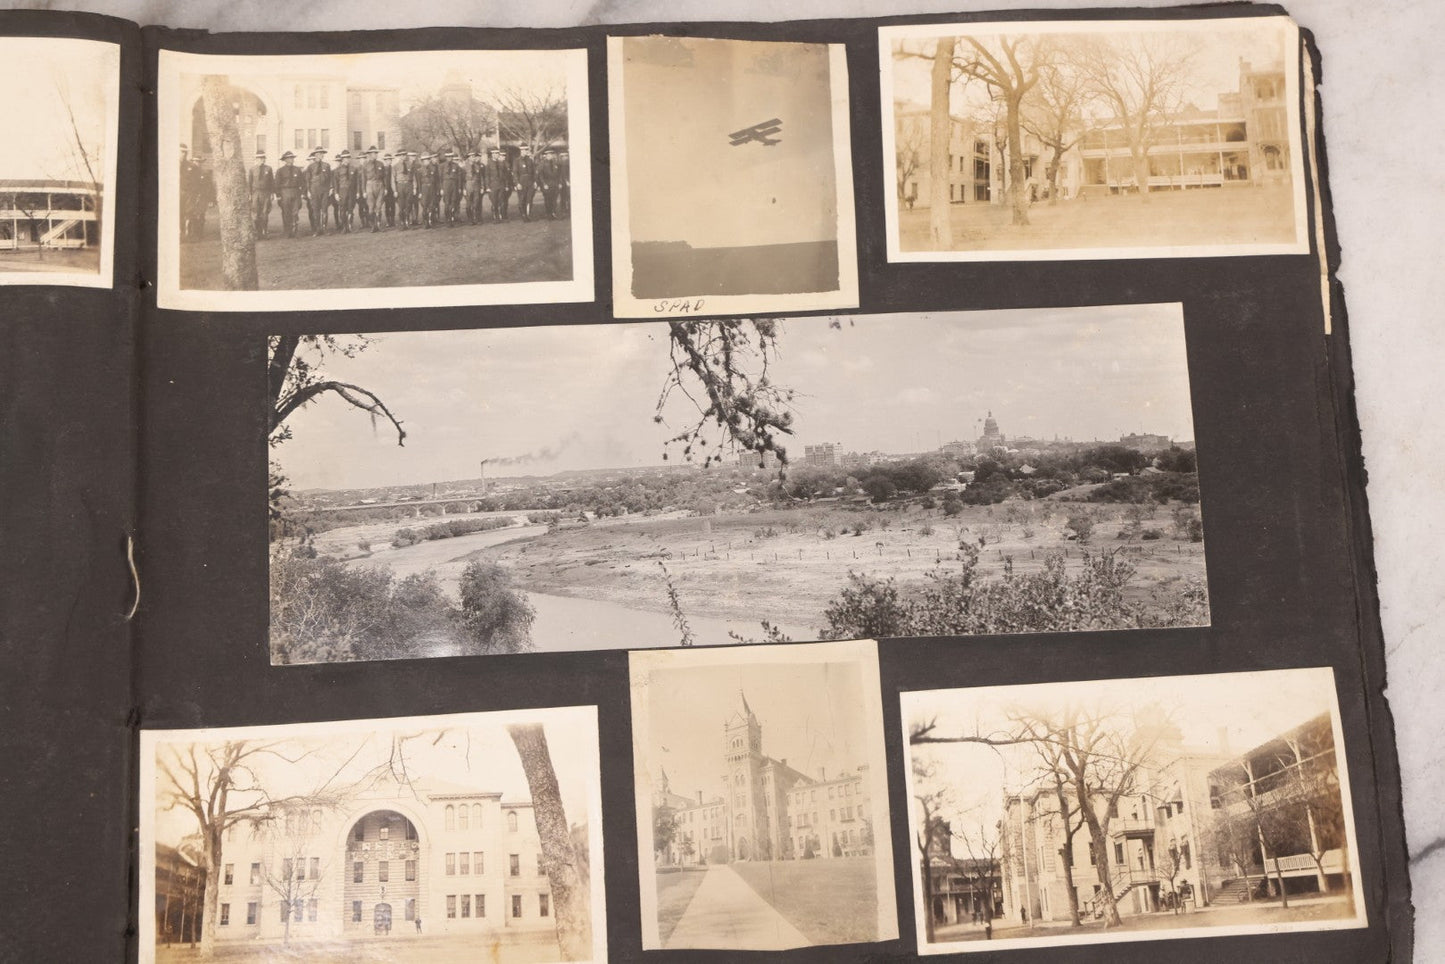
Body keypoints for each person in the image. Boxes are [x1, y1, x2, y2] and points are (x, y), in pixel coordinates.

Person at [302, 148, 332, 237]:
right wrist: (308, 191)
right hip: (314, 190)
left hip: (325, 190)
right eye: (318, 154)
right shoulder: (310, 167)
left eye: (322, 154)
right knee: (315, 210)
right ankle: (317, 229)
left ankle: (324, 229)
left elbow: (330, 178)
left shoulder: (327, 165)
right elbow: (307, 180)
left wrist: (330, 188)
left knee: (324, 209)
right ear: (315, 155)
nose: (320, 155)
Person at [274, 150, 304, 239]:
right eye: (289, 158)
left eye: (292, 158)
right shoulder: (280, 171)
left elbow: (302, 182)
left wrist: (301, 193)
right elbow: (277, 184)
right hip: (284, 193)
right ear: (285, 160)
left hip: (295, 192)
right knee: (286, 212)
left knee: (295, 212)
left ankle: (295, 231)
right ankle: (287, 231)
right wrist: (278, 195)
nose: (291, 159)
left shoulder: (297, 170)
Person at [247, 150, 274, 239]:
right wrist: (250, 194)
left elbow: (271, 182)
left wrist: (272, 193)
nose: (260, 160)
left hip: (265, 193)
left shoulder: (268, 169)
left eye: (262, 158)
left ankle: (264, 232)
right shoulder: (252, 169)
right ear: (256, 159)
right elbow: (249, 183)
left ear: (264, 159)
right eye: (259, 158)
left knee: (265, 213)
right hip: (255, 193)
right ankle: (258, 233)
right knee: (255, 214)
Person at [362, 147, 387, 233]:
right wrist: (364, 191)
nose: (376, 154)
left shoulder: (380, 164)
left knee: (379, 206)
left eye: (376, 153)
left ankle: (379, 225)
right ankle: (373, 226)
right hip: (370, 185)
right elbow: (363, 179)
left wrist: (385, 187)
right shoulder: (365, 165)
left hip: (380, 185)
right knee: (371, 207)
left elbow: (384, 177)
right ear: (369, 154)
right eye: (373, 153)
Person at [332, 149, 358, 232]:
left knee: (350, 209)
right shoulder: (337, 170)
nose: (347, 159)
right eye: (345, 158)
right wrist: (336, 193)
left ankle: (350, 226)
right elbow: (335, 182)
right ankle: (344, 226)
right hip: (342, 191)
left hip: (351, 192)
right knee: (342, 209)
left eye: (348, 157)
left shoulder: (354, 169)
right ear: (342, 159)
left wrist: (357, 192)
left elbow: (356, 182)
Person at [512, 144, 537, 222]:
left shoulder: (530, 160)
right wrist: (517, 183)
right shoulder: (516, 161)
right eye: (523, 150)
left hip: (530, 182)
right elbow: (515, 173)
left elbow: (534, 172)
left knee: (529, 199)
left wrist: (535, 181)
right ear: (521, 151)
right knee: (522, 199)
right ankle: (523, 215)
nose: (525, 152)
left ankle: (528, 215)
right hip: (521, 182)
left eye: (526, 150)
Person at [439, 149, 463, 227]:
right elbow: (440, 178)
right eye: (448, 157)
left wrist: (459, 187)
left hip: (454, 184)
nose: (449, 158)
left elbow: (459, 177)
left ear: (452, 157)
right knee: (446, 202)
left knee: (453, 201)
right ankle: (447, 219)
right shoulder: (442, 166)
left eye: (451, 157)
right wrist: (441, 188)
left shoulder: (456, 166)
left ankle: (452, 218)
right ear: (446, 157)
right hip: (446, 184)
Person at [487, 149, 512, 222]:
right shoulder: (489, 164)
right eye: (494, 153)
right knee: (494, 202)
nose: (496, 155)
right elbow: (487, 176)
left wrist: (506, 185)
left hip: (501, 185)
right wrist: (487, 186)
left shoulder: (501, 164)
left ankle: (502, 217)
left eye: (497, 153)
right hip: (493, 185)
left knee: (502, 201)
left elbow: (505, 176)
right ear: (492, 154)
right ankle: (496, 217)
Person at [416, 152, 438, 228]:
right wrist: (419, 192)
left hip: (431, 188)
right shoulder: (419, 170)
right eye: (424, 160)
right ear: (422, 161)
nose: (426, 162)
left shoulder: (434, 169)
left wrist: (436, 190)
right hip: (424, 188)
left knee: (432, 205)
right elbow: (418, 182)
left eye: (428, 160)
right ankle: (425, 222)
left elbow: (436, 180)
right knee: (424, 205)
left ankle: (430, 221)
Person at [462, 151, 484, 225]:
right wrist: (464, 188)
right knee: (468, 204)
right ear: (468, 158)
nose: (473, 158)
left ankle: (476, 218)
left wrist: (482, 187)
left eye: (474, 156)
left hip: (476, 185)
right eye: (471, 156)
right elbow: (462, 179)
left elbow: (481, 177)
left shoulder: (477, 166)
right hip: (468, 185)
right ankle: (470, 219)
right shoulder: (464, 166)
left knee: (476, 203)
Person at [539, 147, 561, 220]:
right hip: (547, 184)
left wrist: (559, 183)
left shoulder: (555, 163)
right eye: (548, 154)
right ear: (546, 155)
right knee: (548, 200)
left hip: (555, 184)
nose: (550, 156)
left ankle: (553, 213)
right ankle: (548, 214)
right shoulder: (542, 163)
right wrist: (544, 184)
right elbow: (540, 175)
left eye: (551, 154)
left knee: (554, 200)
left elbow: (559, 174)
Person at [381, 152, 396, 228]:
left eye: (390, 160)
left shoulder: (393, 168)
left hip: (392, 189)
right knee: (387, 206)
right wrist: (384, 189)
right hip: (386, 190)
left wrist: (395, 189)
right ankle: (388, 221)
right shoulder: (383, 169)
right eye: (387, 160)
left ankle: (392, 220)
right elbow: (382, 180)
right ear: (385, 161)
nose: (389, 161)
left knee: (393, 205)